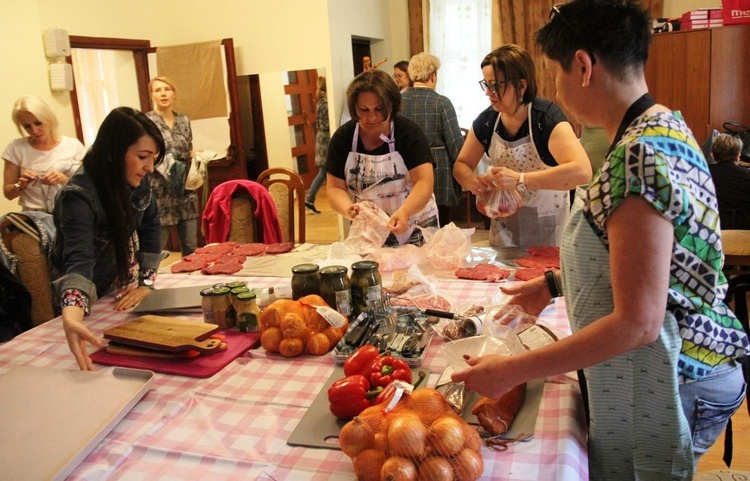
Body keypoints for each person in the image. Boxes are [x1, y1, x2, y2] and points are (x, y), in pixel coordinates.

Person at [452, 1, 749, 479]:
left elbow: (639, 323)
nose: (555, 90)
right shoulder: (663, 126)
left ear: (584, 67)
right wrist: (551, 284)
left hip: (676, 378)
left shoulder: (638, 157)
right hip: (679, 366)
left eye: (555, 74)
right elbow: (646, 263)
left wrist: (515, 370)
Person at [51, 107, 165, 371]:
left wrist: (146, 282)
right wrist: (71, 314)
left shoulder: (138, 180)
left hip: (114, 289)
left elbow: (150, 227)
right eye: (143, 157)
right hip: (82, 291)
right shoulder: (78, 196)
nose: (149, 167)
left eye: (154, 158)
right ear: (114, 153)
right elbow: (78, 261)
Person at [452, 44, 591, 248]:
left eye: (496, 85)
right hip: (503, 228)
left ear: (521, 85)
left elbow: (582, 172)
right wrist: (474, 182)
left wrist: (520, 179)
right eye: (486, 84)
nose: (489, 93)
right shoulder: (487, 121)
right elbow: (461, 165)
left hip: (546, 228)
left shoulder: (546, 119)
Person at [326, 69, 438, 247]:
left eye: (379, 109)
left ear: (391, 106)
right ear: (354, 109)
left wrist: (405, 212)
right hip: (369, 228)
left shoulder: (408, 133)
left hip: (413, 223)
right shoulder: (343, 138)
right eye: (363, 110)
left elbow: (424, 182)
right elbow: (334, 188)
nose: (371, 117)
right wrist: (349, 209)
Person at [400, 53, 465, 227]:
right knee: (440, 225)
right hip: (439, 171)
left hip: (405, 170)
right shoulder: (441, 103)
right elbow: (455, 144)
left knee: (410, 223)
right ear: (433, 75)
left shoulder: (397, 102)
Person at [2, 95, 86, 213]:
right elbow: (8, 193)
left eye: (38, 123)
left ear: (48, 118)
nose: (34, 131)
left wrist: (64, 179)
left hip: (70, 214)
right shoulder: (16, 148)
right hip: (33, 219)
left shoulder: (73, 146)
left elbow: (89, 186)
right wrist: (21, 185)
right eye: (27, 126)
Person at [146, 76, 198, 256]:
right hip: (160, 191)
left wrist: (197, 156)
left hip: (185, 190)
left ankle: (193, 281)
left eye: (166, 89)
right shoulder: (147, 121)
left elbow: (188, 148)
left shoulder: (183, 120)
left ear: (174, 94)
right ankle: (148, 282)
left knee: (191, 245)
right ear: (152, 95)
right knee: (156, 246)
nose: (163, 94)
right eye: (158, 90)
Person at [709, 133, 750, 230]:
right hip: (743, 236)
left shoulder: (701, 173)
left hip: (709, 232)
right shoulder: (747, 176)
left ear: (712, 156)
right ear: (738, 156)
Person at [305, 76, 330, 214]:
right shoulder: (326, 103)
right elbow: (324, 124)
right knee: (323, 172)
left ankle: (310, 200)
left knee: (323, 172)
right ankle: (309, 199)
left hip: (321, 139)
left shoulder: (321, 101)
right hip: (325, 140)